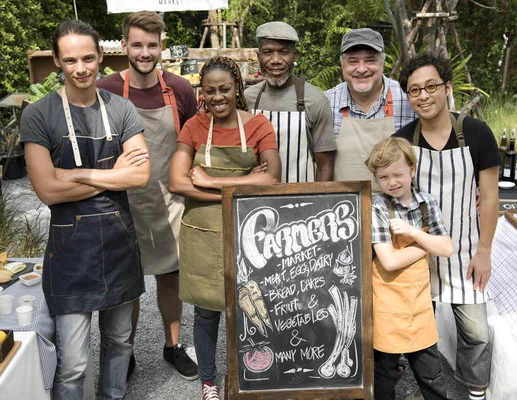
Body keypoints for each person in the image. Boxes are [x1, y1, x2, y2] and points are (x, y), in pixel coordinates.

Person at [20, 20, 150, 399]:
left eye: (89, 58)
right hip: (71, 251)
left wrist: (72, 175)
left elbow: (140, 176)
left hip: (119, 242)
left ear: (101, 57)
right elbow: (46, 190)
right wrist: (112, 173)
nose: (81, 68)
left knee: (120, 345)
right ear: (57, 61)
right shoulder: (40, 115)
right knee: (74, 363)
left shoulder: (121, 108)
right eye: (71, 60)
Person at [169, 56, 281, 400]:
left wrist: (208, 182)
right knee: (206, 312)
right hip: (202, 236)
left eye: (225, 89)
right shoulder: (194, 127)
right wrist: (243, 187)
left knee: (250, 309)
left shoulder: (260, 125)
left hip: (249, 236)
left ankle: (245, 377)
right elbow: (176, 182)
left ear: (238, 89)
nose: (217, 97)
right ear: (202, 93)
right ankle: (209, 381)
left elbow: (274, 180)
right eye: (209, 90)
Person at [96, 10, 199, 380]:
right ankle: (126, 354)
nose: (144, 52)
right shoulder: (106, 89)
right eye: (137, 44)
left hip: (170, 200)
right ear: (124, 45)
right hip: (122, 202)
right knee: (127, 283)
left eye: (151, 45)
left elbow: (193, 143)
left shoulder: (181, 89)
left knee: (171, 276)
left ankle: (173, 347)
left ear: (162, 47)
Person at [393, 52, 500, 400]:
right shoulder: (403, 139)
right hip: (418, 252)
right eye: (414, 90)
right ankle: (423, 386)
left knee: (477, 333)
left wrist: (484, 251)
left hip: (465, 250)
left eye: (430, 86)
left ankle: (476, 392)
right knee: (414, 327)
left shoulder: (476, 133)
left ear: (447, 88)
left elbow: (491, 198)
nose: (423, 95)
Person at [365, 137, 452, 400]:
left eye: (398, 174)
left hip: (419, 304)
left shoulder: (427, 203)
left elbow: (447, 248)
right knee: (384, 374)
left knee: (430, 373)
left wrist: (413, 232)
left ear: (412, 169)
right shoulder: (378, 207)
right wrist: (426, 246)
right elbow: (389, 262)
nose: (392, 183)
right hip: (388, 304)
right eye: (383, 177)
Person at [245, 21, 336, 182]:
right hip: (254, 200)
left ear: (295, 56)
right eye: (267, 52)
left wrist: (318, 203)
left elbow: (325, 166)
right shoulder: (247, 99)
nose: (275, 60)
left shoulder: (316, 100)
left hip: (302, 199)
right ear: (258, 57)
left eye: (284, 52)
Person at [325, 28, 416, 187]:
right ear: (342, 65)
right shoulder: (325, 103)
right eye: (353, 61)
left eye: (370, 60)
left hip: (397, 208)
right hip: (344, 207)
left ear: (383, 63)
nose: (361, 69)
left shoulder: (408, 99)